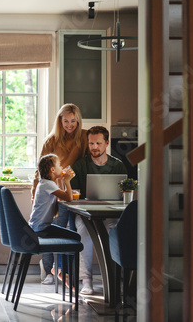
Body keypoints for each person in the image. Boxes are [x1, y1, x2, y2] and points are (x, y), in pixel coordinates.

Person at [31, 103, 88, 285]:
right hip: (55, 192)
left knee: (72, 232)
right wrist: (34, 193)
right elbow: (40, 168)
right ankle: (49, 270)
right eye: (66, 121)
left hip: (76, 191)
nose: (70, 125)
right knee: (53, 230)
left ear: (78, 121)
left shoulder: (84, 137)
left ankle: (69, 272)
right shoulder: (52, 140)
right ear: (60, 121)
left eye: (73, 121)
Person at [70, 126, 127, 295]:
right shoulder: (80, 165)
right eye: (91, 143)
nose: (94, 147)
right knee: (83, 232)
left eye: (98, 143)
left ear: (107, 143)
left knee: (114, 232)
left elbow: (124, 194)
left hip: (110, 213)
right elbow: (74, 193)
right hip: (85, 214)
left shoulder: (117, 165)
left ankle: (112, 278)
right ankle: (86, 280)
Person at [29, 154, 80, 243]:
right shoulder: (48, 184)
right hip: (41, 229)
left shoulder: (46, 183)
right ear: (52, 169)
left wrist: (60, 180)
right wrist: (67, 181)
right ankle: (69, 256)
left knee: (73, 236)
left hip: (38, 227)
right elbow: (68, 198)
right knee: (75, 237)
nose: (61, 167)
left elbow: (61, 198)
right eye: (59, 165)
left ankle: (65, 256)